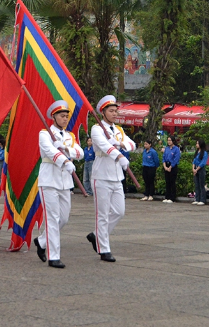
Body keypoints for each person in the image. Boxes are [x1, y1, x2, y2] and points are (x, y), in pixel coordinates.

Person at [33, 100, 84, 269]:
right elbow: (49, 150)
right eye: (62, 116)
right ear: (53, 117)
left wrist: (66, 149)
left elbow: (80, 152)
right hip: (49, 179)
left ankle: (41, 242)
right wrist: (64, 161)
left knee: (64, 218)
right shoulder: (45, 134)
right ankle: (53, 256)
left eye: (67, 116)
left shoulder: (69, 136)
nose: (65, 119)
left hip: (64, 182)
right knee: (53, 219)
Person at [87, 95, 135, 263]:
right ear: (103, 112)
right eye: (111, 111)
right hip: (101, 175)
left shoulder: (119, 130)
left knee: (119, 211)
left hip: (116, 176)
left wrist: (120, 144)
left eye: (116, 111)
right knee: (102, 215)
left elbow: (132, 144)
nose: (115, 114)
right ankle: (104, 249)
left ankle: (96, 235)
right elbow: (105, 147)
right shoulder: (97, 129)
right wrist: (119, 154)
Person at [161, 136, 181, 203]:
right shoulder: (166, 149)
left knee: (172, 182)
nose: (169, 141)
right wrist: (165, 167)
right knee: (167, 182)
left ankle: (172, 198)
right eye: (168, 140)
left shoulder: (176, 149)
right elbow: (163, 158)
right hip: (166, 165)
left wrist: (170, 167)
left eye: (170, 140)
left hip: (173, 166)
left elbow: (176, 159)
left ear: (173, 141)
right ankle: (167, 196)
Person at [191, 139, 208, 205]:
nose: (196, 145)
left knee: (201, 184)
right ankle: (197, 198)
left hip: (200, 169)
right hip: (195, 168)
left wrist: (197, 169)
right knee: (196, 185)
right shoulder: (197, 152)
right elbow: (194, 161)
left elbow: (203, 162)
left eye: (197, 143)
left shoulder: (204, 153)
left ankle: (202, 199)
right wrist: (193, 169)